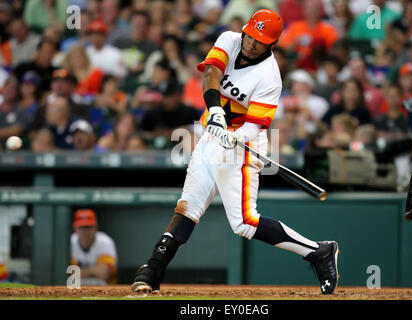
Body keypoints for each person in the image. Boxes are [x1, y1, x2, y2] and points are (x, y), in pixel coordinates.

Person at [131, 9, 339, 295]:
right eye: (251, 36)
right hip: (211, 135)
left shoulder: (270, 77)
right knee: (188, 205)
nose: (253, 43)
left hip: (243, 144)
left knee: (243, 223)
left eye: (260, 40)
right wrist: (215, 111)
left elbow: (256, 125)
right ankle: (152, 269)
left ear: (272, 44)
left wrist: (234, 136)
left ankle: (318, 251)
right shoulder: (229, 39)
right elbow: (212, 74)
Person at [71, 208, 118, 285]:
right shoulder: (70, 242)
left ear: (95, 227)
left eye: (88, 227)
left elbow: (104, 273)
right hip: (75, 290)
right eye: (81, 227)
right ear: (75, 227)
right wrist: (94, 271)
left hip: (105, 291)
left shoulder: (105, 242)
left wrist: (78, 271)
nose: (85, 231)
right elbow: (67, 274)